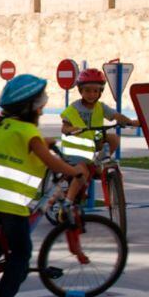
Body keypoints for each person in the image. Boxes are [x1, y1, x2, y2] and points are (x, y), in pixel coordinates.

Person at [0, 74, 87, 297]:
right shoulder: (28, 132)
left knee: (5, 238)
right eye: (40, 106)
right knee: (22, 253)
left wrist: (45, 141)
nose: (42, 110)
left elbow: (22, 144)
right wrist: (74, 172)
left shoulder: (1, 126)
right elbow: (51, 162)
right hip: (11, 201)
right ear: (30, 109)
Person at [59, 67, 139, 204]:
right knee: (82, 173)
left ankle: (97, 164)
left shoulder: (101, 107)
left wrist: (130, 122)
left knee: (114, 138)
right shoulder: (73, 108)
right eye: (87, 91)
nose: (92, 94)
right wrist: (72, 129)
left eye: (96, 91)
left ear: (100, 92)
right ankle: (68, 202)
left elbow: (116, 116)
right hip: (75, 149)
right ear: (80, 91)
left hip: (93, 143)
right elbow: (64, 128)